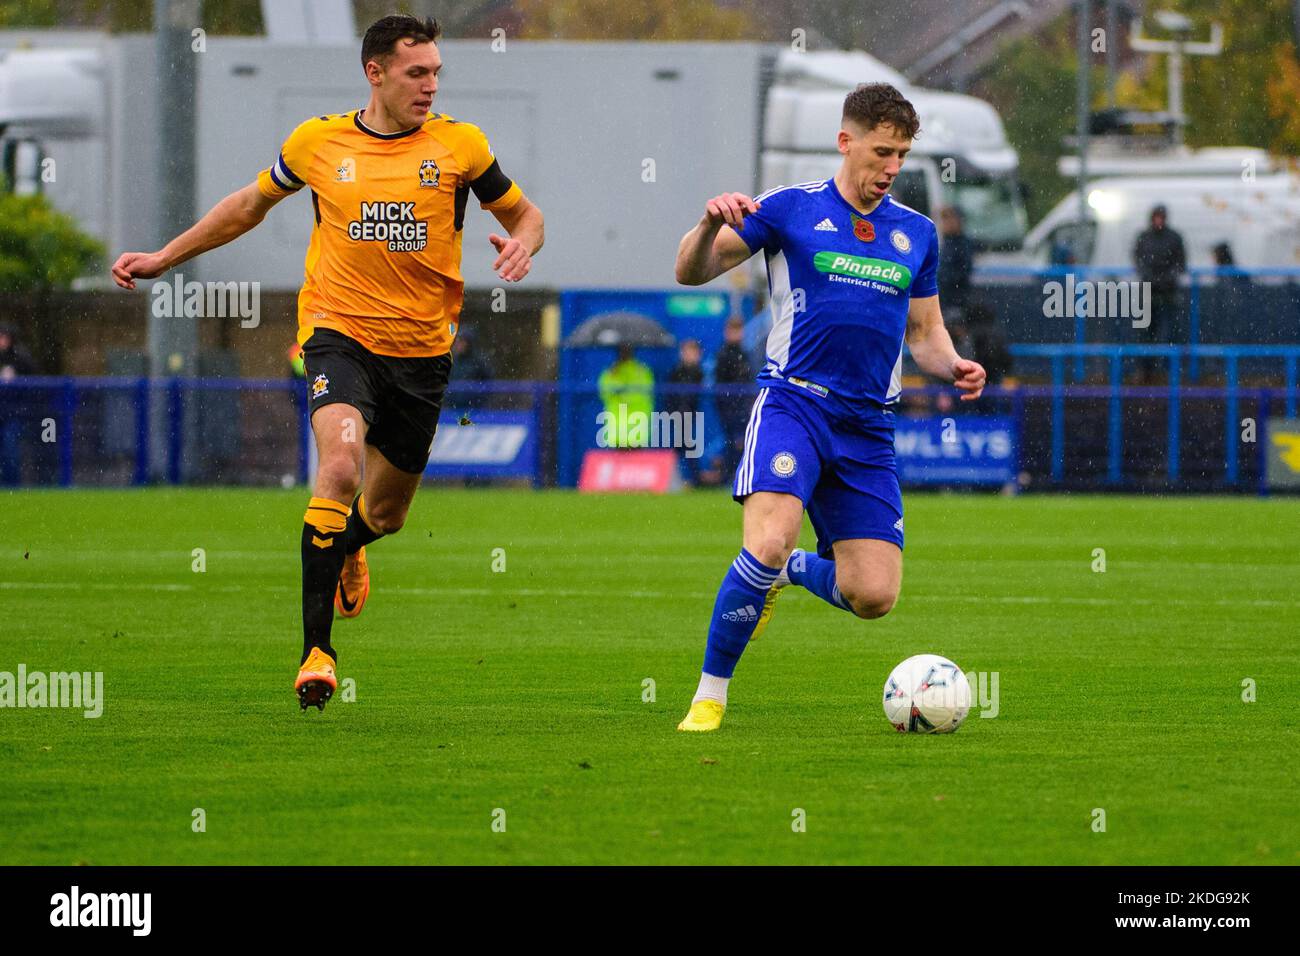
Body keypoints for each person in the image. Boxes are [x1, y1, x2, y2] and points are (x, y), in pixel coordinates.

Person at [111, 14, 544, 711]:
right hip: (337, 337)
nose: (430, 85)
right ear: (375, 72)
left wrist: (525, 242)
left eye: (435, 73)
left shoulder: (461, 148)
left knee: (389, 512)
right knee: (338, 467)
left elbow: (526, 215)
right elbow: (249, 206)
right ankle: (317, 653)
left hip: (423, 355)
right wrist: (166, 257)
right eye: (416, 73)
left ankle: (350, 545)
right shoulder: (318, 142)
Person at [672, 82, 986, 732]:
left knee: (873, 596)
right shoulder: (789, 210)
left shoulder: (916, 233)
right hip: (795, 405)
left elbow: (924, 334)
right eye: (881, 152)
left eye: (901, 154)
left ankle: (784, 574)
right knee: (765, 540)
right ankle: (710, 696)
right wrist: (707, 224)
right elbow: (689, 272)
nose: (891, 167)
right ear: (846, 142)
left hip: (868, 426)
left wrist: (953, 365)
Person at [1132, 204, 1186, 382]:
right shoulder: (1145, 238)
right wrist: (1152, 278)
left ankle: (1166, 372)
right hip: (1149, 292)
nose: (1158, 220)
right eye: (1156, 217)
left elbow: (1180, 263)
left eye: (1161, 217)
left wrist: (1166, 279)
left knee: (1169, 332)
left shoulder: (1173, 238)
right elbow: (1138, 261)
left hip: (1168, 293)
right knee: (1146, 334)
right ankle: (1146, 370)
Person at [712, 316, 753, 481]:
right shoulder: (723, 354)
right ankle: (730, 475)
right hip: (729, 406)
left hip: (741, 405)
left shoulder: (743, 353)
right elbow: (721, 381)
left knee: (741, 442)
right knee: (732, 441)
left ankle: (736, 474)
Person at [598, 343, 654, 448]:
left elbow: (644, 393)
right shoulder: (641, 371)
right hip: (628, 431)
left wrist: (621, 393)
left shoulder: (640, 371)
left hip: (629, 431)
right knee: (636, 464)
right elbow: (605, 392)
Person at [0, 325, 36, 485]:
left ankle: (11, 485)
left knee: (10, 449)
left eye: (3, 337)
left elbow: (35, 386)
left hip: (13, 414)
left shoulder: (20, 359)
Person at [666, 338, 704, 484]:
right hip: (677, 416)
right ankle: (678, 479)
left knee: (686, 447)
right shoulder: (677, 372)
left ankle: (692, 479)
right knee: (682, 447)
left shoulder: (697, 373)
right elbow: (670, 395)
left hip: (690, 416)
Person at [937, 206, 973, 316]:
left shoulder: (962, 245)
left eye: (949, 219)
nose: (945, 223)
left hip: (955, 303)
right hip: (943, 302)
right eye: (944, 220)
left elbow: (961, 273)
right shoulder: (946, 243)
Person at [449, 325, 494, 412]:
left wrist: (478, 399)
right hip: (453, 409)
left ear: (468, 343)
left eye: (461, 341)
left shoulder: (479, 362)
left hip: (474, 409)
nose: (458, 344)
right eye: (457, 341)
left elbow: (488, 384)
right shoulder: (452, 361)